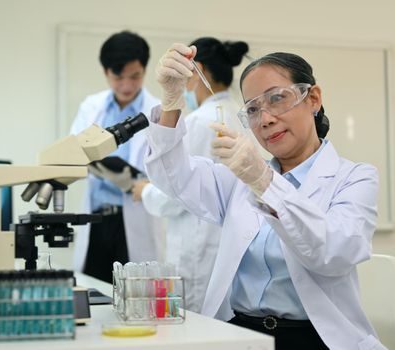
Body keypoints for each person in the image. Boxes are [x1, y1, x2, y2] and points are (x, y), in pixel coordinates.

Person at [144, 43, 386, 349]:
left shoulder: (354, 177)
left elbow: (334, 252)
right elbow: (172, 178)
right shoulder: (239, 179)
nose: (266, 119)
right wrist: (171, 100)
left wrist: (264, 181)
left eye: (277, 99)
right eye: (253, 109)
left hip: (314, 338)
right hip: (239, 332)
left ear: (313, 98)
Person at [130, 37, 248, 313]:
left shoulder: (200, 120)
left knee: (195, 325)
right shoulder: (241, 115)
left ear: (198, 71)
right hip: (228, 244)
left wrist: (143, 191)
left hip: (198, 245)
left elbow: (176, 190)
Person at [70, 30, 163, 283]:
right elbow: (71, 154)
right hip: (97, 219)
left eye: (135, 76)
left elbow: (170, 170)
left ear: (144, 70)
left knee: (136, 294)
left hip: (134, 216)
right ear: (106, 73)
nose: (127, 85)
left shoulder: (158, 113)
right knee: (91, 292)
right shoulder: (91, 107)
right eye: (118, 77)